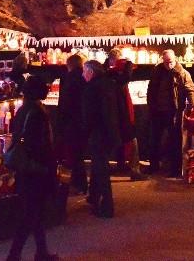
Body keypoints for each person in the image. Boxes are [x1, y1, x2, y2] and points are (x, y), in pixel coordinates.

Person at [6, 75, 58, 261]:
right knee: (31, 214)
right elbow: (38, 144)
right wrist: (48, 164)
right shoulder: (36, 112)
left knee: (34, 213)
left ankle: (40, 252)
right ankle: (14, 254)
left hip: (26, 167)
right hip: (35, 168)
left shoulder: (24, 109)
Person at [147, 49, 194, 178]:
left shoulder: (182, 73)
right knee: (154, 139)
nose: (168, 65)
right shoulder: (157, 71)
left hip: (174, 111)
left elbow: (190, 90)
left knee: (175, 141)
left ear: (174, 58)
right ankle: (154, 166)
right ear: (162, 60)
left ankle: (175, 169)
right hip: (158, 111)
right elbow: (151, 89)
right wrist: (151, 106)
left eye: (170, 62)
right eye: (166, 62)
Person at [82, 60, 120, 218]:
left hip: (99, 132)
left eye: (84, 71)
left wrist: (85, 131)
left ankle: (107, 206)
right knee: (99, 166)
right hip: (110, 131)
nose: (82, 74)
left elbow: (89, 114)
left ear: (91, 72)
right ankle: (94, 196)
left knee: (101, 168)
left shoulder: (92, 88)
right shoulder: (109, 84)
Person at [107, 49, 147, 181]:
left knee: (117, 140)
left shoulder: (107, 73)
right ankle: (134, 170)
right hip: (121, 113)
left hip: (114, 113)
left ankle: (120, 164)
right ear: (115, 60)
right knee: (131, 140)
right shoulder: (113, 75)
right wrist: (129, 63)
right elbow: (126, 78)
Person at [57, 53, 87, 194]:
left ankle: (80, 184)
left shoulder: (68, 79)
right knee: (79, 153)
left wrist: (61, 121)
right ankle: (78, 182)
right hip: (84, 120)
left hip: (72, 121)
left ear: (69, 65)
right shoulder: (86, 78)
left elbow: (66, 103)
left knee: (75, 154)